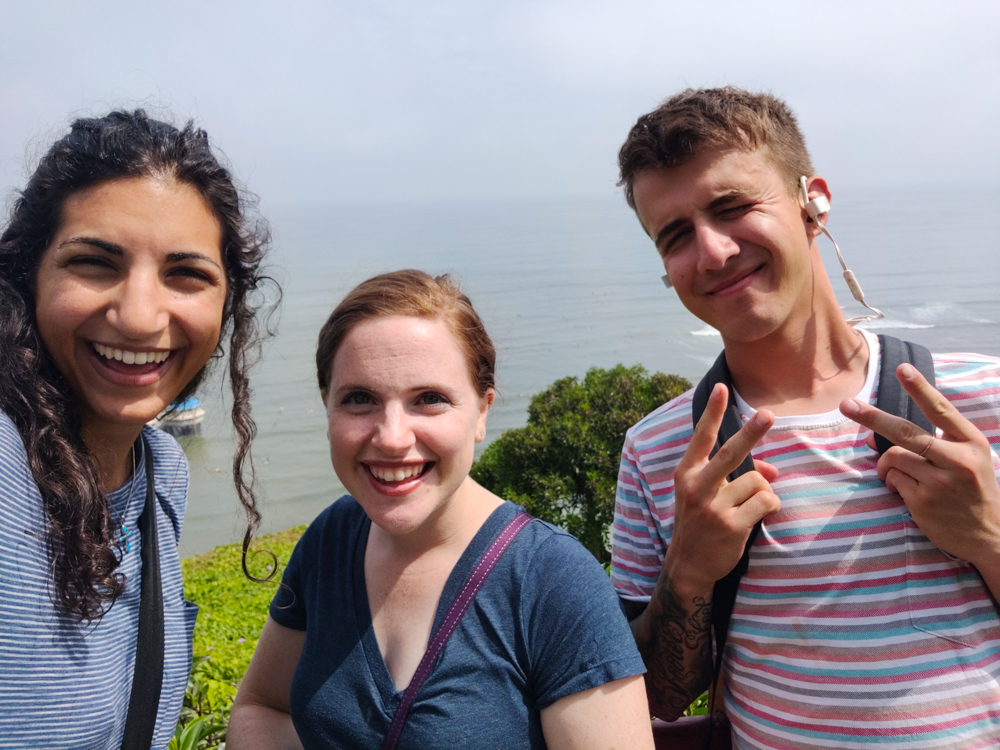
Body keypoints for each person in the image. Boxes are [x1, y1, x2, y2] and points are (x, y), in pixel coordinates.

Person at [610, 87, 1000, 748]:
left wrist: (989, 534)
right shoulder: (658, 452)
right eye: (674, 237)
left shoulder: (981, 396)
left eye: (731, 208)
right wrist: (690, 571)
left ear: (812, 203)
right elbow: (657, 700)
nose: (711, 252)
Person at [229, 270, 654, 749]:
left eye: (429, 399)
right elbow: (262, 706)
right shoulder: (333, 538)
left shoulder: (552, 581)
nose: (392, 437)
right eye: (360, 399)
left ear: (482, 411)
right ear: (327, 405)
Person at [0, 110, 276, 748]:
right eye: (95, 263)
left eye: (187, 274)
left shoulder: (159, 471)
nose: (140, 316)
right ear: (29, 277)